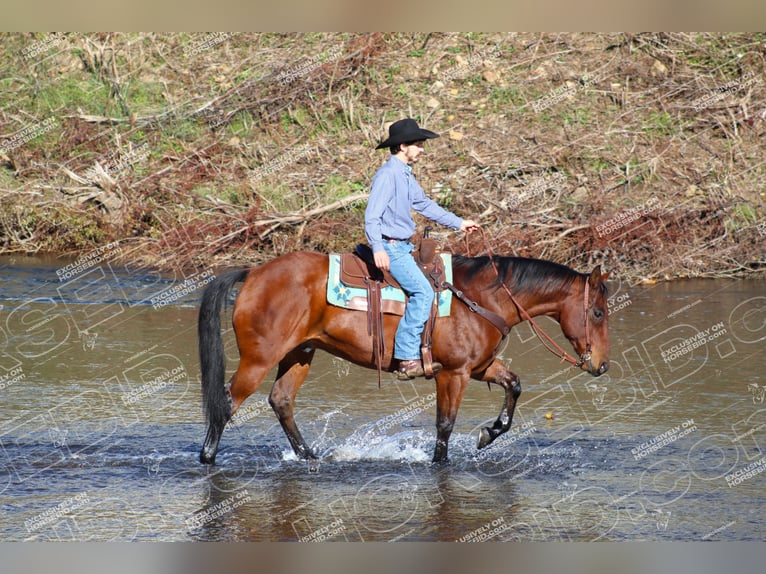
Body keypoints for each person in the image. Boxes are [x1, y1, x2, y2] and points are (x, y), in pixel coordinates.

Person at [365, 118, 480, 380]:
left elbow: (425, 205)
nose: (422, 149)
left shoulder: (404, 174)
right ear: (403, 145)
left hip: (402, 247)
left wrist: (459, 223)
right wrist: (377, 248)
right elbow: (372, 216)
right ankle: (406, 358)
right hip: (391, 248)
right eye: (418, 144)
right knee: (424, 293)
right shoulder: (388, 175)